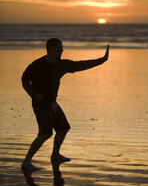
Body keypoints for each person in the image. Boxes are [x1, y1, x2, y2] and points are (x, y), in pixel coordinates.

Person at [21, 38, 109, 170]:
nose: (62, 50)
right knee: (45, 133)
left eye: (62, 47)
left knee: (63, 128)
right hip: (40, 104)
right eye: (59, 47)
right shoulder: (38, 65)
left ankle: (55, 154)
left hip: (52, 103)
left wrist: (101, 60)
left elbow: (81, 65)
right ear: (51, 48)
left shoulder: (61, 64)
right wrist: (34, 94)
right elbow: (24, 79)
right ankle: (26, 162)